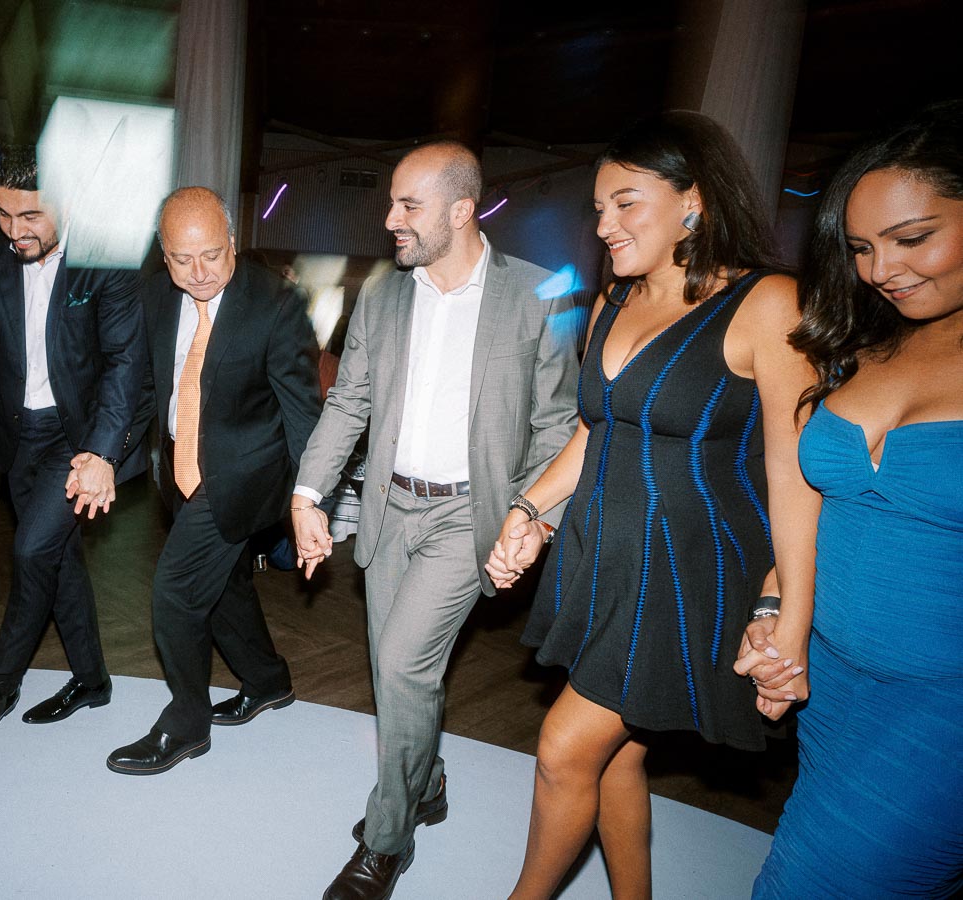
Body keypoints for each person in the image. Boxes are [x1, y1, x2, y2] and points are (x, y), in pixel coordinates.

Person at [484, 111, 820, 899]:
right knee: (619, 755)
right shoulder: (611, 302)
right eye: (599, 208)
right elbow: (591, 434)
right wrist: (528, 512)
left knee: (566, 747)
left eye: (627, 203)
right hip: (605, 558)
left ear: (693, 201)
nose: (605, 224)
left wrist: (788, 614)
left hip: (690, 573)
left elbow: (795, 476)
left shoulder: (769, 303)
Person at [292, 141, 581, 900]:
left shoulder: (539, 295)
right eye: (391, 202)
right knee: (401, 672)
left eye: (408, 205)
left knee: (401, 665)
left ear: (461, 211)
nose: (390, 219)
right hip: (390, 511)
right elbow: (350, 401)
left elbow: (558, 425)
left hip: (471, 513)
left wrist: (533, 517)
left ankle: (387, 840)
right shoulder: (385, 295)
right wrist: (307, 496)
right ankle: (429, 777)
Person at [745, 101, 963, 899]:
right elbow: (818, 511)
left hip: (942, 717)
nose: (883, 270)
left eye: (913, 238)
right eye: (863, 247)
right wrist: (777, 615)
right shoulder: (862, 342)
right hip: (832, 691)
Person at [0, 145, 147, 744]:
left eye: (29, 217)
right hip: (13, 435)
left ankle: (2, 683)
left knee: (30, 552)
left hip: (77, 437)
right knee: (57, 557)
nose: (13, 231)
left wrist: (103, 452)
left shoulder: (109, 254)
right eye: (3, 214)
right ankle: (91, 679)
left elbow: (125, 362)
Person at [105, 187, 321, 776]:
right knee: (222, 586)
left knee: (175, 591)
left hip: (248, 475)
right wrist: (106, 454)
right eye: (181, 259)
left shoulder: (277, 303)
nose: (198, 274)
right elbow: (147, 390)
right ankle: (267, 680)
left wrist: (309, 500)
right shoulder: (154, 297)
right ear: (163, 254)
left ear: (233, 243)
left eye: (212, 256)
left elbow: (303, 410)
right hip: (180, 469)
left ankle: (185, 724)